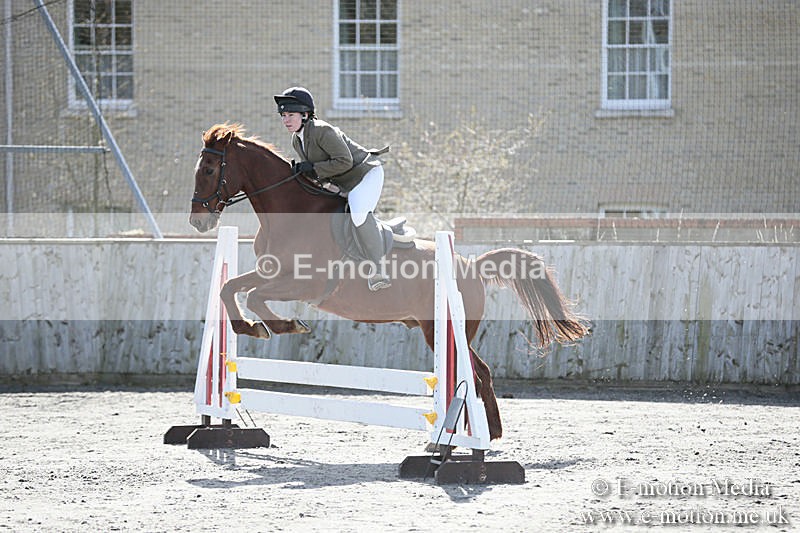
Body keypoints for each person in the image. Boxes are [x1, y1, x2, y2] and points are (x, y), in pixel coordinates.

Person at [274, 86, 391, 291]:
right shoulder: (297, 139)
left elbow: (344, 162)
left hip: (365, 174)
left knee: (358, 214)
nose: (286, 120)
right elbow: (318, 174)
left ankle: (378, 268)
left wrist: (313, 168)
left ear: (305, 114)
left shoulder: (322, 130)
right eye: (283, 115)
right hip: (345, 181)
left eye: (290, 115)